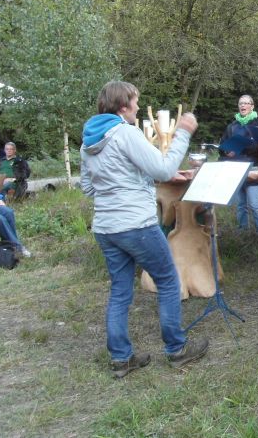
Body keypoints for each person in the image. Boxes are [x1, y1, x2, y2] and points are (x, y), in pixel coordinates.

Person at [80, 80, 209, 378]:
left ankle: (121, 358)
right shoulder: (125, 132)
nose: (138, 107)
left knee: (120, 290)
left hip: (106, 226)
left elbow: (89, 187)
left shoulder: (89, 140)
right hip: (135, 224)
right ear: (123, 106)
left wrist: (132, 179)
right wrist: (183, 134)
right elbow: (163, 170)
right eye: (135, 102)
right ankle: (177, 350)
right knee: (167, 279)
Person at [219, 94, 258, 239]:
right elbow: (222, 146)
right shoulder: (232, 126)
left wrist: (241, 147)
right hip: (235, 169)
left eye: (246, 103)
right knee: (241, 205)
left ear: (252, 106)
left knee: (254, 204)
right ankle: (243, 234)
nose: (242, 106)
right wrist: (226, 151)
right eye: (240, 103)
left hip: (253, 169)